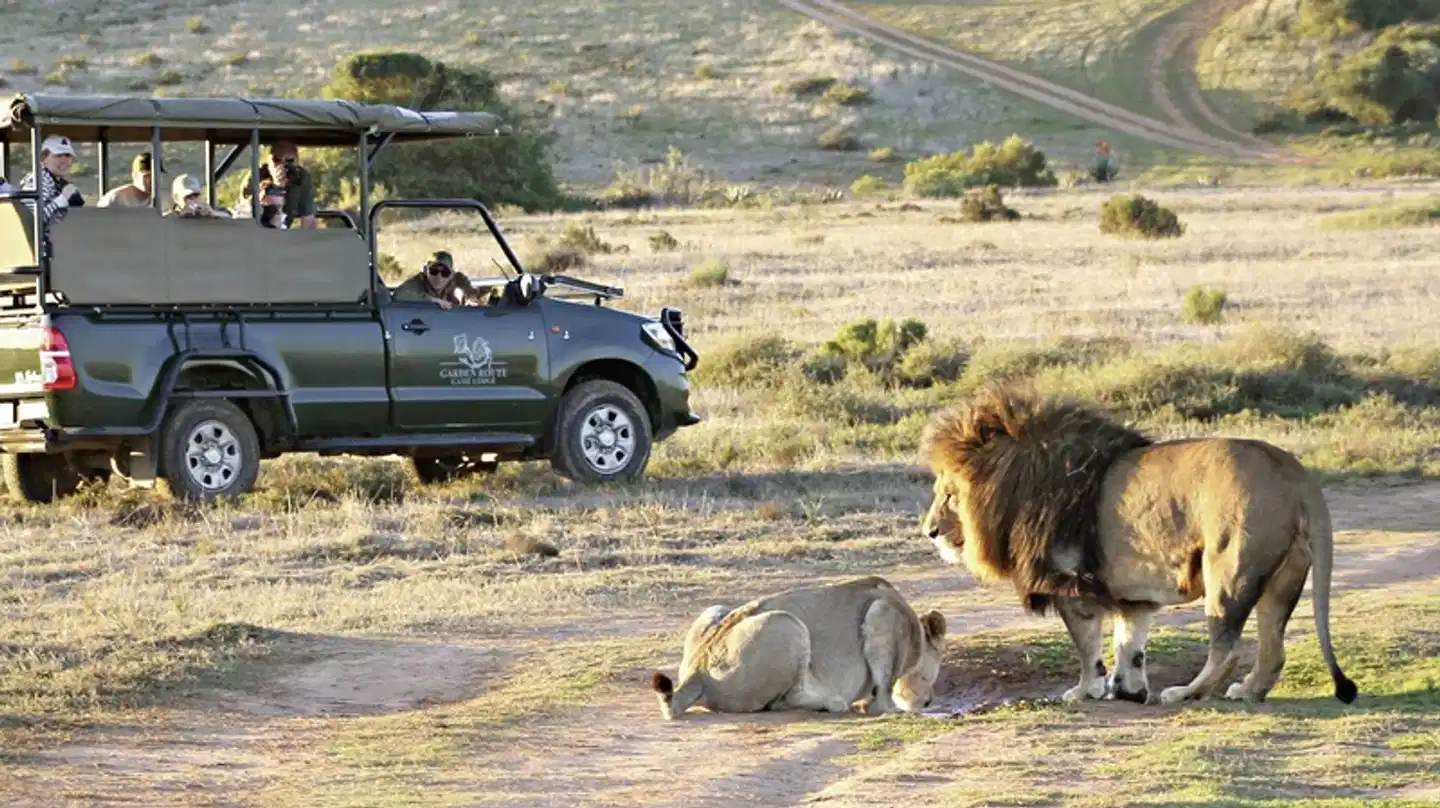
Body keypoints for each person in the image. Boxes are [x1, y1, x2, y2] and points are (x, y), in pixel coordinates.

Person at [231, 140, 317, 228]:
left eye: (289, 161)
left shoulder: (301, 178)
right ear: (269, 163)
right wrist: (276, 186)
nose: (282, 165)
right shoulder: (256, 176)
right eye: (276, 160)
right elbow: (248, 213)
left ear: (297, 161)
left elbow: (308, 219)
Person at [19, 134, 84, 225]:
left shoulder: (58, 183)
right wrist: (62, 199)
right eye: (58, 156)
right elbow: (32, 221)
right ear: (44, 158)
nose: (64, 161)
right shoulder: (38, 180)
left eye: (68, 156)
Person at [391, 250, 480, 309]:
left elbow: (474, 296)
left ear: (451, 274)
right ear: (425, 271)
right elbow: (399, 295)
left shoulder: (458, 280)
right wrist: (432, 300)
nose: (439, 277)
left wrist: (468, 299)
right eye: (434, 271)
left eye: (445, 273)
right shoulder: (418, 282)